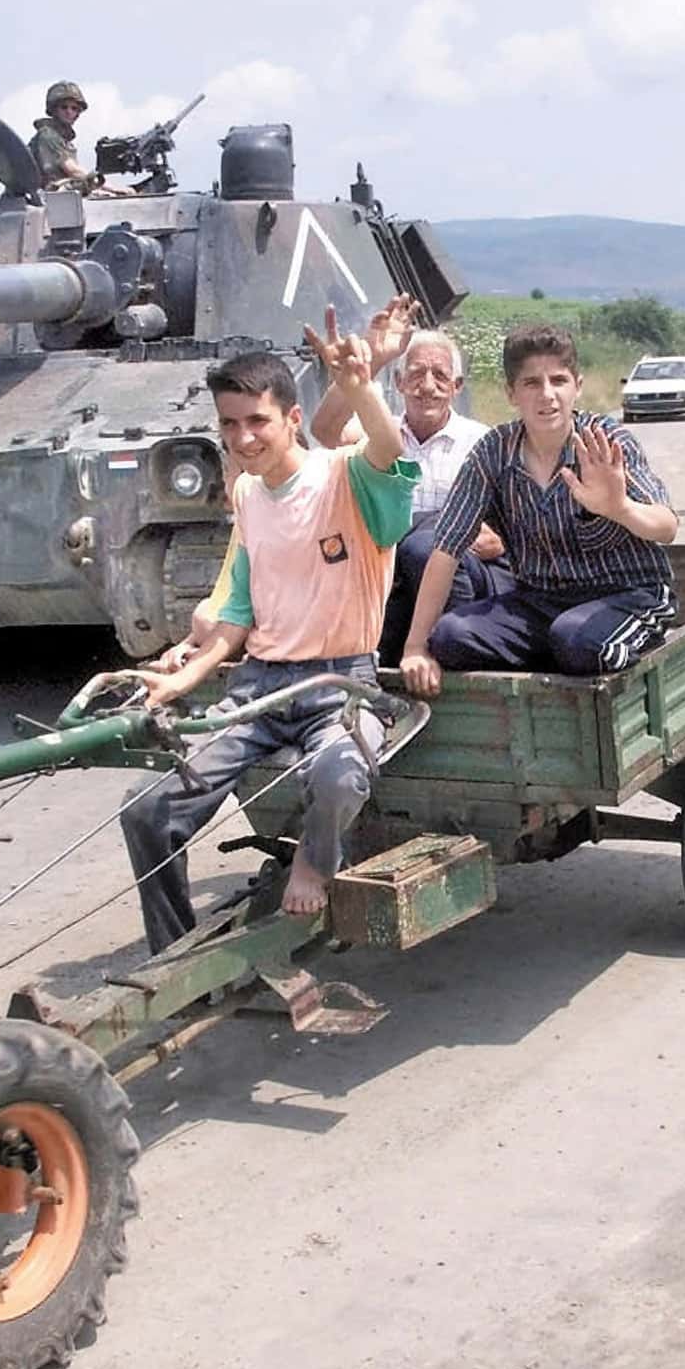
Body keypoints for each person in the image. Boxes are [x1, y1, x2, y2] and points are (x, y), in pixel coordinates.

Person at [118, 322, 420, 952]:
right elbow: (236, 613)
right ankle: (172, 953)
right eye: (229, 425)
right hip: (259, 689)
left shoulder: (345, 476)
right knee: (146, 808)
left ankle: (315, 860)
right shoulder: (249, 493)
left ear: (292, 418)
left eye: (256, 421)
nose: (242, 438)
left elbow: (388, 448)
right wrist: (182, 678)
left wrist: (360, 387)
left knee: (339, 775)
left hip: (339, 682)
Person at [398, 324, 680, 692]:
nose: (547, 396)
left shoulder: (605, 441)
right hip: (540, 603)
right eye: (531, 383)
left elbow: (667, 526)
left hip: (628, 593)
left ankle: (585, 647)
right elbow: (446, 549)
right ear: (511, 393)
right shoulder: (493, 452)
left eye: (558, 381)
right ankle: (566, 651)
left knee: (577, 640)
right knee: (450, 636)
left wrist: (620, 507)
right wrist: (415, 647)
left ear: (577, 386)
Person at [306, 298, 508, 659]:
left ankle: (449, 655)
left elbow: (511, 531)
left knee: (426, 544)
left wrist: (498, 537)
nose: (427, 386)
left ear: (457, 386)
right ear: (398, 382)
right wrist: (372, 358)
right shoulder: (380, 435)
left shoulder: (484, 442)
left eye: (440, 376)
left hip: (461, 580)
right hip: (389, 578)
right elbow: (325, 429)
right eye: (415, 374)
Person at [29, 81, 107, 195]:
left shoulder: (64, 142)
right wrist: (110, 187)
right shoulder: (47, 135)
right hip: (47, 198)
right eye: (64, 107)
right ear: (54, 110)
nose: (69, 112)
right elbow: (73, 170)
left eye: (74, 108)